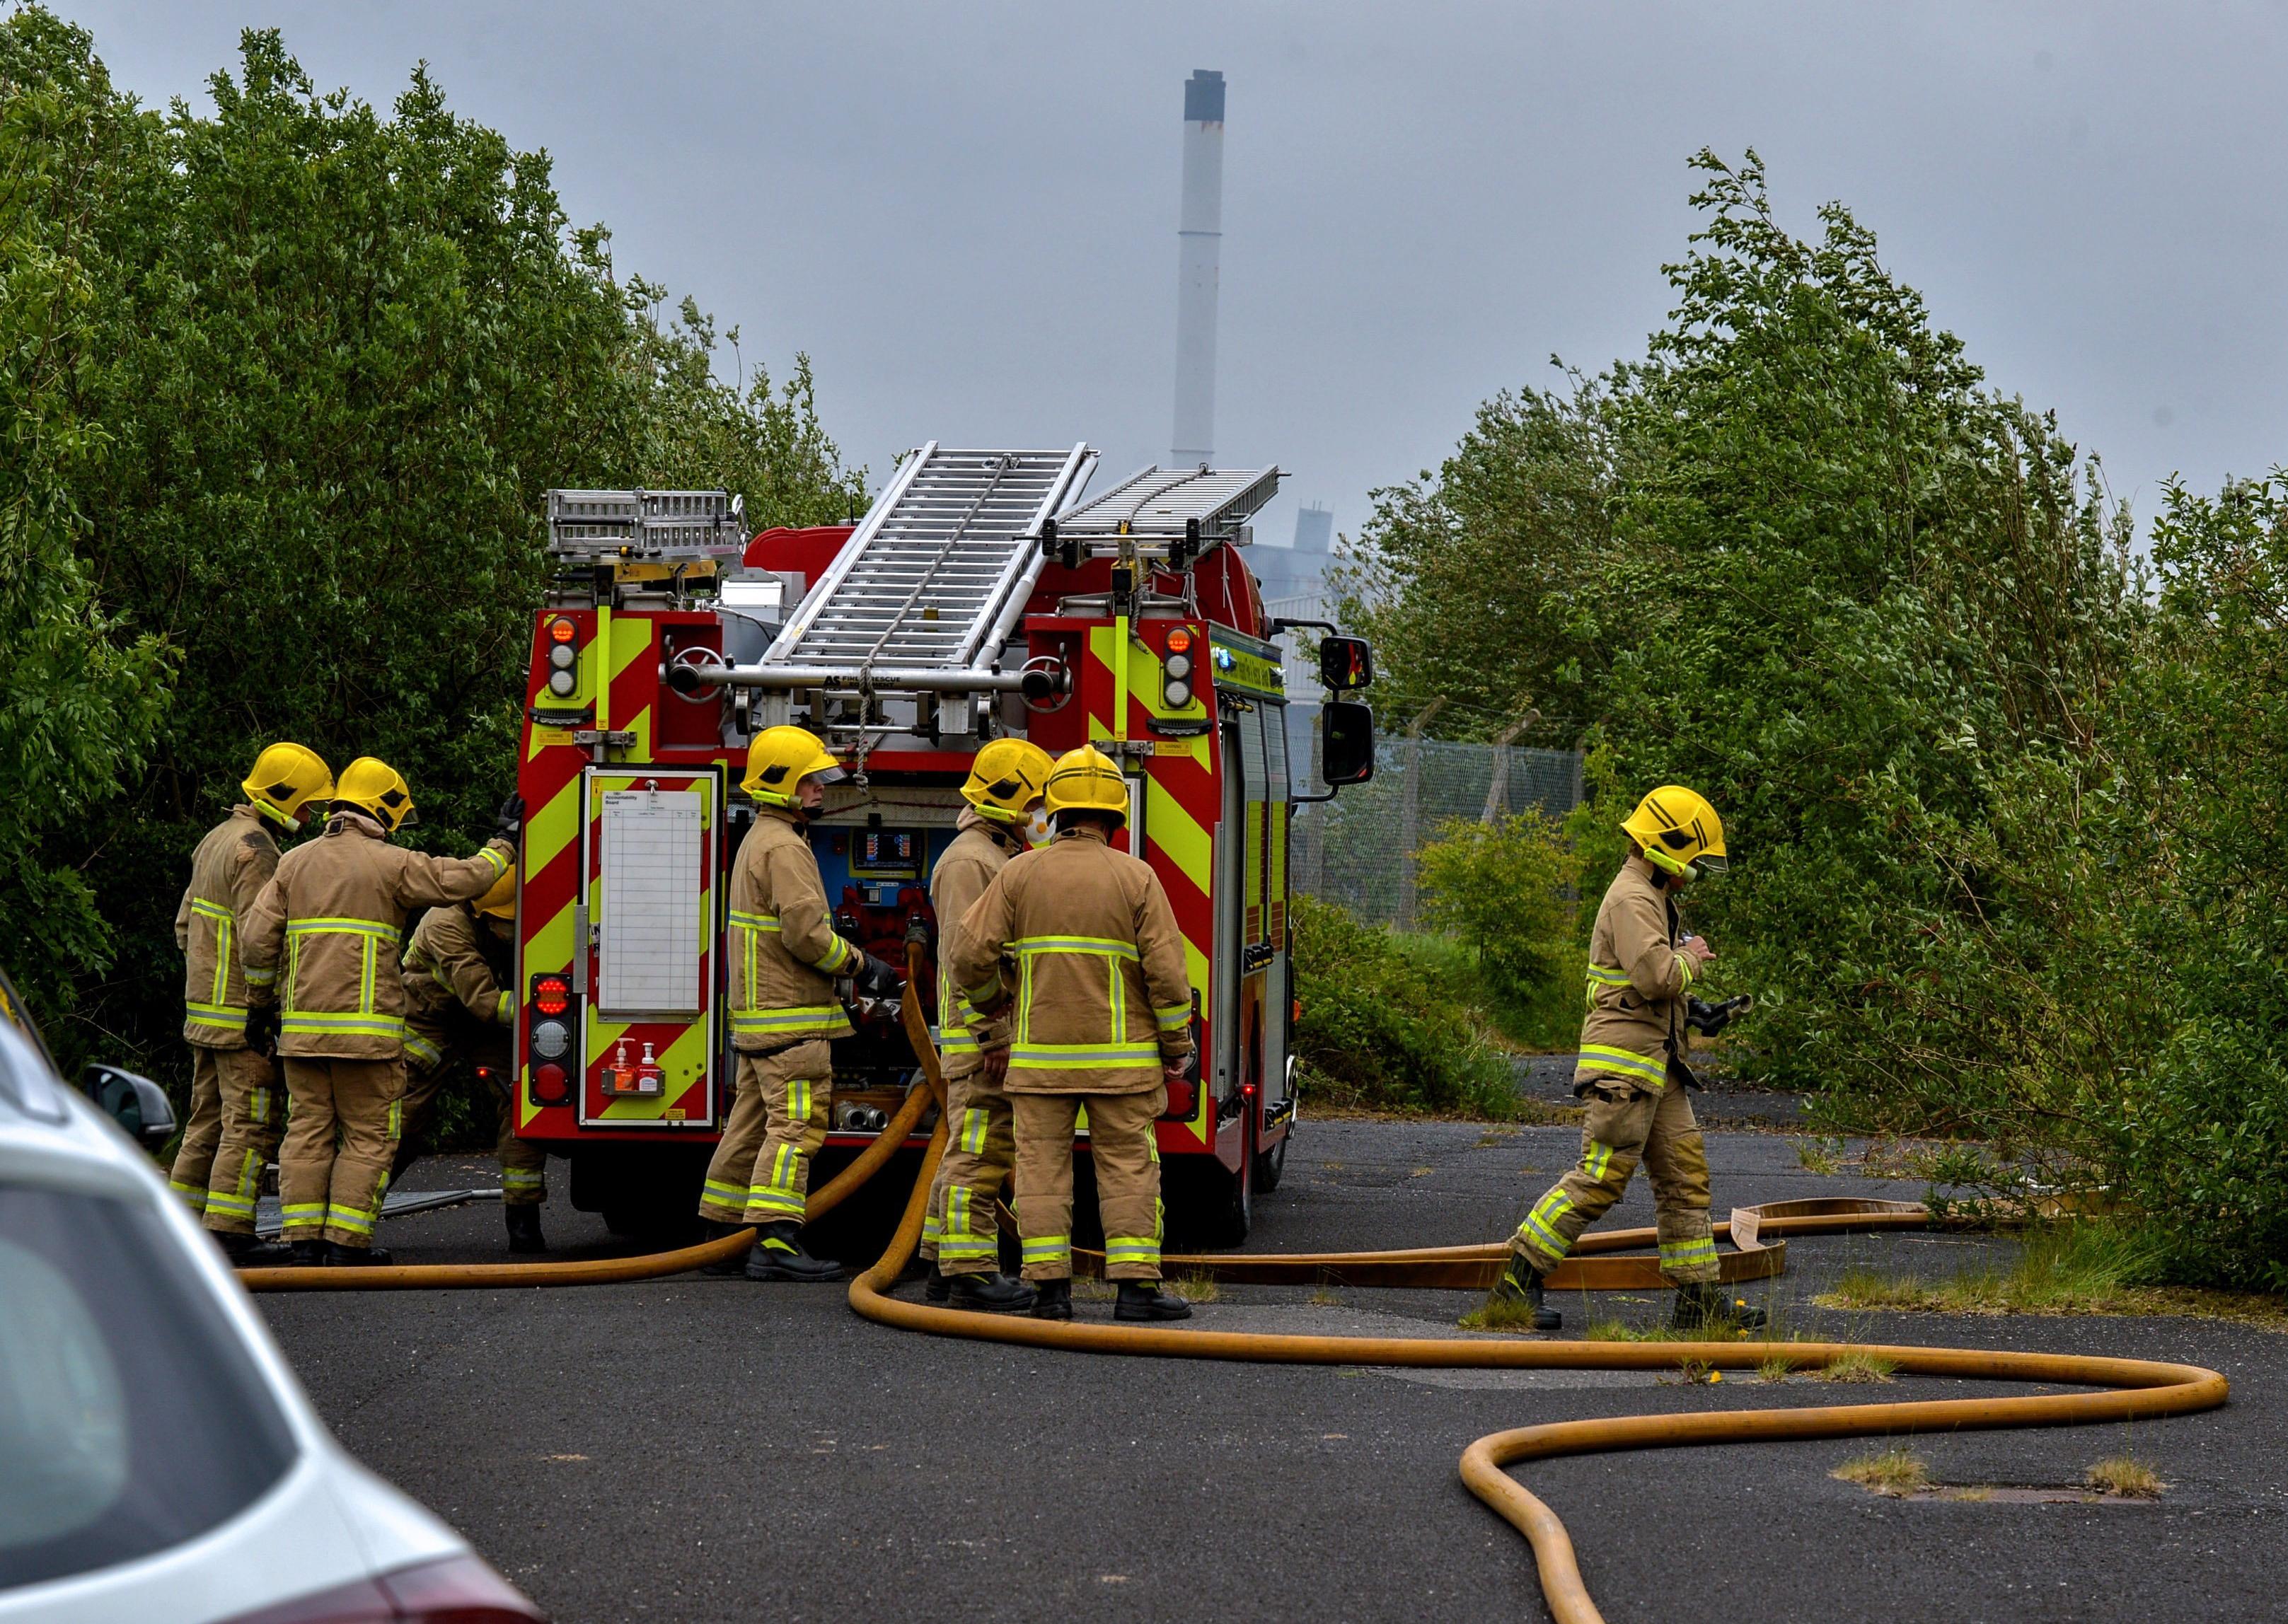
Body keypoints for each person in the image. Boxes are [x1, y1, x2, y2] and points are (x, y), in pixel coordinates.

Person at [1491, 784, 1766, 1333]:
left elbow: (1649, 993)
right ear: (1667, 846)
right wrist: (1689, 959)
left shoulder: (1653, 897)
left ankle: (1696, 1300)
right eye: (1693, 858)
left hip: (1656, 1071)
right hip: (1625, 1074)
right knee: (1599, 1179)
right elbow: (1656, 975)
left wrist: (1695, 1013)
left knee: (1685, 1180)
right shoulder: (1632, 898)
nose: (1694, 871)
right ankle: (1517, 1282)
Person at [947, 744, 1195, 1323]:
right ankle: (1135, 1292)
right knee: (1129, 1168)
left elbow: (966, 957)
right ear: (1115, 816)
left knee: (1040, 1172)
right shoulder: (1137, 878)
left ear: (1052, 812)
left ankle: (1049, 1294)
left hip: (1038, 1067)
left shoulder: (1017, 874)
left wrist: (992, 1021)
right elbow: (1167, 974)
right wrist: (1176, 1049)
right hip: (1123, 1068)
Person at [241, 759, 519, 1265]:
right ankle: (345, 1245)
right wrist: (503, 845)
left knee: (306, 1131)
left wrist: (260, 1007)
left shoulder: (294, 862)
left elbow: (257, 941)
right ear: (385, 808)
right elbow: (462, 880)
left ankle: (302, 1241)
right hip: (366, 1041)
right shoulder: (392, 863)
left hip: (301, 1036)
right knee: (368, 1137)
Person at [697, 725, 901, 1282]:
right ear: (783, 784)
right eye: (810, 779)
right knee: (795, 1129)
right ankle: (778, 1241)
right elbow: (807, 935)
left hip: (761, 1019)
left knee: (750, 1126)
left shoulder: (760, 839)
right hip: (793, 1022)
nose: (820, 788)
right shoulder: (786, 846)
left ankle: (720, 1232)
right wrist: (865, 967)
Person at [171, 742, 333, 1265]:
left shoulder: (215, 840)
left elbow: (183, 928)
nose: (309, 816)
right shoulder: (259, 852)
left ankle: (180, 1228)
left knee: (206, 1123)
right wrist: (265, 1006)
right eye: (307, 805)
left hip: (204, 1014)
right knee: (251, 1124)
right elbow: (263, 937)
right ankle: (230, 1232)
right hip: (242, 1018)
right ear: (285, 798)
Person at [918, 738, 1053, 1313]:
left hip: (983, 1034)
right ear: (1013, 799)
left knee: (971, 1149)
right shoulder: (971, 861)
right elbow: (966, 958)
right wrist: (994, 1036)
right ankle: (971, 1271)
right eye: (1038, 801)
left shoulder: (990, 853)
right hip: (981, 1040)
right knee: (979, 1152)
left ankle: (941, 1265)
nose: (1043, 813)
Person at [394, 869, 550, 1253]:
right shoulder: (445, 924)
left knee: (521, 1107)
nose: (513, 930)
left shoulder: (495, 914)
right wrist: (547, 1010)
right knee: (402, 1119)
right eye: (506, 922)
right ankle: (351, 1223)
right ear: (480, 911)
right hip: (430, 1023)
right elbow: (484, 1001)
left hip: (486, 1028)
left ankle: (524, 1223)